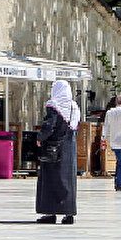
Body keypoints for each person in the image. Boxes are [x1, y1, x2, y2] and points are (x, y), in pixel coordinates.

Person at [36, 80, 80, 224]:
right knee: (68, 181)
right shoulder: (74, 106)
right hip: (69, 148)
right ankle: (68, 214)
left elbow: (49, 126)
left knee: (51, 180)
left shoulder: (54, 105)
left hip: (54, 148)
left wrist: (40, 138)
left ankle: (50, 213)